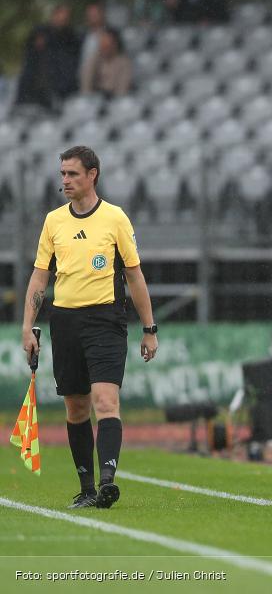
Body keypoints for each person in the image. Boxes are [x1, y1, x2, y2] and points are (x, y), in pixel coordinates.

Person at [21, 146, 159, 510]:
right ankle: (86, 488)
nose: (64, 180)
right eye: (62, 174)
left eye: (72, 174)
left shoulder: (115, 218)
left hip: (105, 321)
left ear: (92, 175)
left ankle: (107, 482)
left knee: (105, 400)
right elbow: (39, 279)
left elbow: (134, 276)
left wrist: (150, 328)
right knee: (76, 408)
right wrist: (27, 327)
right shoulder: (54, 221)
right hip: (64, 321)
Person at [80, 28, 132, 98]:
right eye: (102, 45)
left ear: (115, 45)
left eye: (107, 46)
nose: (103, 48)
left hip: (114, 98)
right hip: (95, 98)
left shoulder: (124, 62)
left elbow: (122, 89)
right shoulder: (94, 59)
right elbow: (86, 83)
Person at [80, 2, 107, 77]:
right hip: (83, 76)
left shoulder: (109, 35)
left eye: (95, 14)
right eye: (89, 14)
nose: (92, 17)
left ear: (102, 15)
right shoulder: (81, 35)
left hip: (101, 77)